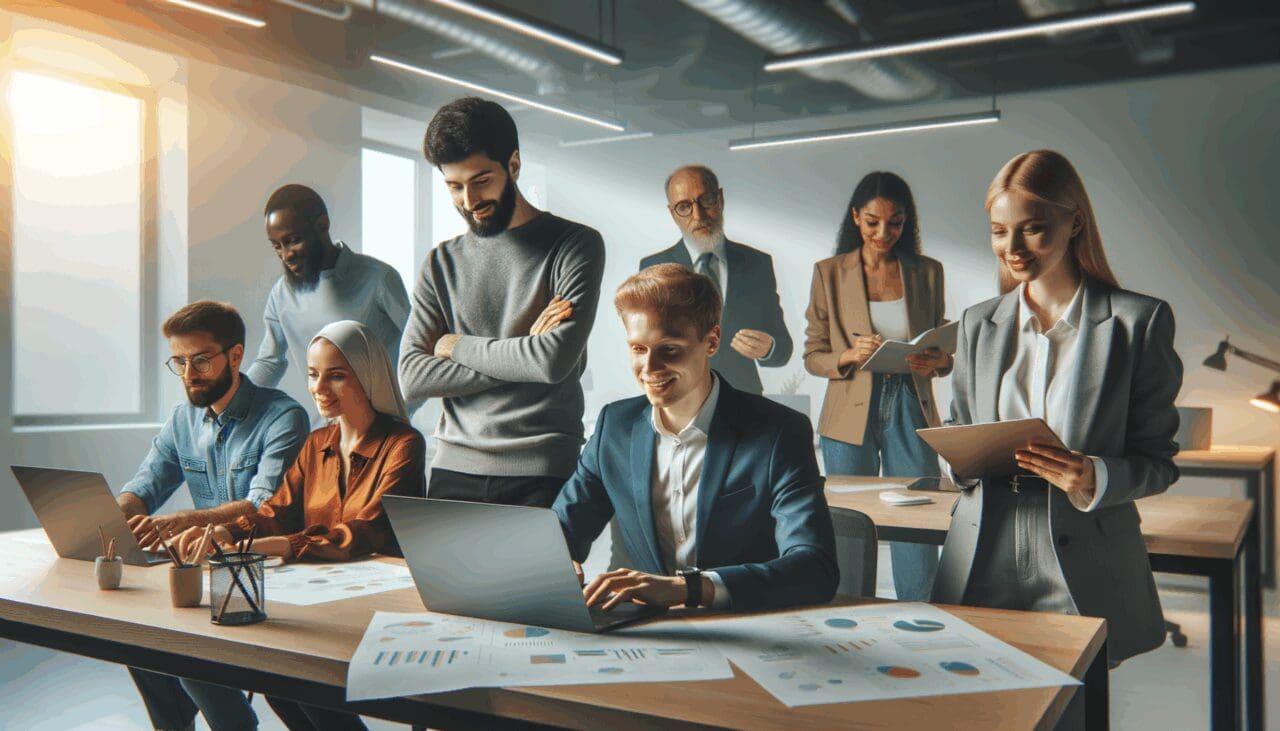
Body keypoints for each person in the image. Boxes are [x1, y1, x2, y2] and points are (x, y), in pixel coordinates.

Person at [932, 151, 1182, 719]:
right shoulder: (976, 323)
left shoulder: (1137, 322)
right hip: (984, 543)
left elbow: (1159, 461)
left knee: (1071, 712)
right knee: (978, 712)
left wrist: (1095, 475)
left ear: (1075, 223)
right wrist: (957, 458)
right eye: (999, 231)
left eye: (1033, 228)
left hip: (1083, 547)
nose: (1013, 248)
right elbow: (958, 427)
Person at [178, 320, 426, 731]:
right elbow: (277, 511)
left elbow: (367, 531)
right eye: (313, 374)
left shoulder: (403, 444)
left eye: (336, 375)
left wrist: (280, 546)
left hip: (377, 604)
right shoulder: (316, 444)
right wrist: (229, 533)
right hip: (318, 595)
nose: (319, 388)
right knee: (278, 680)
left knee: (296, 678)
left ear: (367, 376)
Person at [552, 264, 838, 612]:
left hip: (742, 624)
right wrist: (555, 564)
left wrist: (688, 589)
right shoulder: (615, 427)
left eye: (669, 350)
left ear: (712, 341)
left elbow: (815, 569)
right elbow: (559, 535)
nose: (650, 368)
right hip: (640, 628)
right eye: (638, 349)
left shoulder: (779, 432)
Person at [399, 97, 605, 508]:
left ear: (513, 165)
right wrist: (525, 353)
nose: (469, 200)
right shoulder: (440, 262)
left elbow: (551, 362)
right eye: (454, 186)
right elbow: (413, 377)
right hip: (452, 469)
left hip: (543, 471)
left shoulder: (574, 245)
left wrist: (456, 345)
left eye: (481, 180)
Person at [119, 300, 309, 731]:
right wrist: (111, 516)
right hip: (204, 569)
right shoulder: (182, 420)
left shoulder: (283, 417)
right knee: (132, 633)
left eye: (201, 360)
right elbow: (144, 486)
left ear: (235, 356)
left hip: (266, 569)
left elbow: (262, 506)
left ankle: (234, 725)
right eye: (179, 362)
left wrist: (182, 522)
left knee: (180, 640)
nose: (189, 374)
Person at [803, 171, 950, 601]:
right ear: (856, 217)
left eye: (895, 222)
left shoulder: (927, 272)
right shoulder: (829, 273)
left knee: (918, 515)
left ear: (907, 221)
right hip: (849, 407)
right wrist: (849, 355)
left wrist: (940, 361)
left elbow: (941, 345)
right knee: (848, 521)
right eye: (872, 222)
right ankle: (846, 611)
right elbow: (813, 355)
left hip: (910, 400)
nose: (884, 233)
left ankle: (920, 612)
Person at [247, 184, 411, 424]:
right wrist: (230, 406)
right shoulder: (281, 294)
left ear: (322, 225)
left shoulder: (379, 279)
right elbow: (269, 363)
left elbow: (422, 350)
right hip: (324, 433)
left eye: (293, 240)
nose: (286, 254)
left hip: (385, 431)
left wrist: (399, 413)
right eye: (277, 246)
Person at [640, 165, 792, 396]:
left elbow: (783, 347)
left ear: (720, 199)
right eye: (684, 207)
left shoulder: (757, 263)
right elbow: (646, 344)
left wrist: (768, 348)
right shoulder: (653, 269)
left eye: (706, 201)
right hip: (677, 396)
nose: (698, 216)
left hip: (742, 397)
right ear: (672, 214)